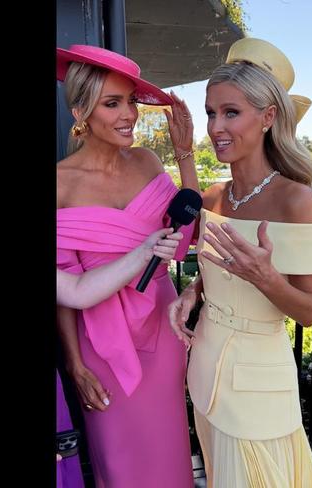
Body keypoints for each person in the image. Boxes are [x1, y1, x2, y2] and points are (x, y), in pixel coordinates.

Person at [168, 38, 312, 487]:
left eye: (231, 112)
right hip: (204, 376)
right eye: (210, 112)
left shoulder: (296, 200)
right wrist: (192, 290)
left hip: (259, 396)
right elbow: (212, 261)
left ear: (269, 117)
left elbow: (310, 310)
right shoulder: (215, 196)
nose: (215, 126)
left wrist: (265, 276)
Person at [56, 44, 198, 487]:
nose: (129, 115)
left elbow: (184, 239)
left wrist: (186, 154)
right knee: (118, 463)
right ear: (81, 111)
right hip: (101, 344)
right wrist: (75, 364)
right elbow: (64, 288)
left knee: (170, 455)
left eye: (131, 101)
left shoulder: (148, 161)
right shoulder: (60, 183)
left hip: (163, 321)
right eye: (112, 103)